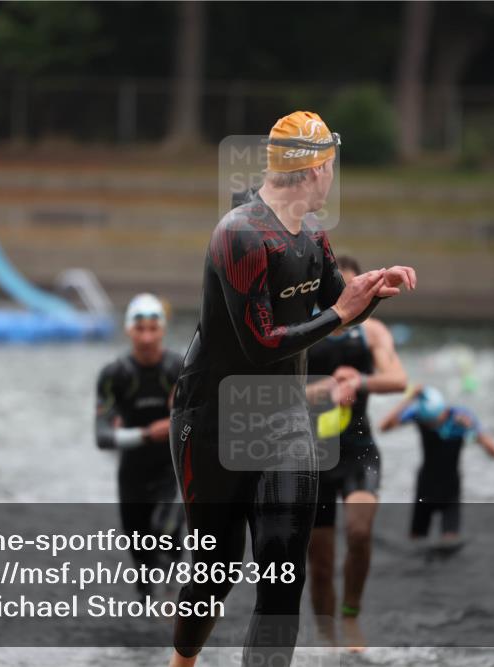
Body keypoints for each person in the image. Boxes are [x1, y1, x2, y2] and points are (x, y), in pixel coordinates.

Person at [168, 110, 416, 667]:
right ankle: (181, 663)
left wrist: (372, 287)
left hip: (282, 420)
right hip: (213, 419)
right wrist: (340, 308)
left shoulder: (312, 235)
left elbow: (338, 303)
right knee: (217, 573)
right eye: (332, 163)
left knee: (284, 574)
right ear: (318, 169)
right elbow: (261, 343)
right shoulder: (240, 234)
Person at [304, 255, 407, 650]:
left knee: (360, 532)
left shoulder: (371, 332)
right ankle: (326, 636)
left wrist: (358, 381)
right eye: (335, 292)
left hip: (359, 450)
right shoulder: (303, 333)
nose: (346, 299)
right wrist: (327, 387)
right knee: (322, 561)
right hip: (312, 457)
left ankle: (350, 618)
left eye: (352, 291)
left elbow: (397, 380)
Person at [95, 294, 184, 595]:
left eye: (152, 328)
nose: (146, 337)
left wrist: (178, 416)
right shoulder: (115, 375)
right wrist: (145, 434)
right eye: (140, 329)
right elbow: (102, 437)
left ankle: (175, 607)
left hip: (172, 472)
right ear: (128, 330)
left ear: (162, 330)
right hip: (132, 473)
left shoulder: (180, 370)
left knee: (166, 531)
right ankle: (145, 623)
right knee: (142, 566)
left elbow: (210, 424)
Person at [380, 386, 494, 542]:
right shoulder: (418, 414)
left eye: (433, 421)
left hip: (450, 488)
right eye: (428, 422)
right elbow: (383, 427)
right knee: (416, 540)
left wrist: (472, 429)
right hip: (425, 485)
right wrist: (408, 399)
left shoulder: (462, 417)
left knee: (450, 540)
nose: (432, 425)